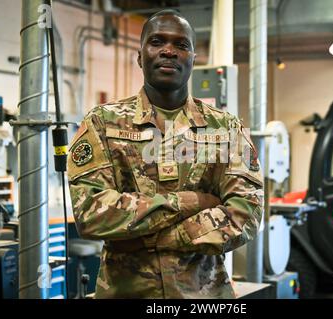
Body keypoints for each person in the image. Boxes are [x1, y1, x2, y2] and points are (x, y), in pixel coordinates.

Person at [67, 9, 264, 299]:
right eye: (157, 42)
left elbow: (247, 211)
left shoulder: (225, 127)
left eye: (181, 45)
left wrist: (170, 236)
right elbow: (90, 213)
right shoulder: (103, 122)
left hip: (204, 295)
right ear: (140, 56)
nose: (169, 51)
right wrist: (187, 203)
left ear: (194, 59)